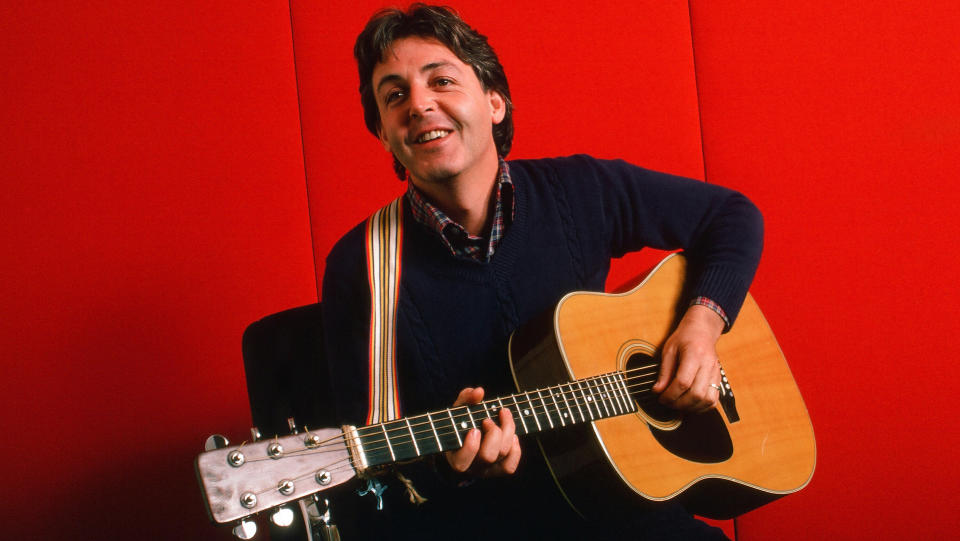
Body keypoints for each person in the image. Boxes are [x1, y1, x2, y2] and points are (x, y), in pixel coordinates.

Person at [320, 4, 763, 539]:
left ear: (494, 103)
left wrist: (702, 326)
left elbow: (732, 217)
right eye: (394, 95)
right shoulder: (361, 267)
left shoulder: (579, 190)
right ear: (385, 136)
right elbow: (373, 481)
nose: (418, 104)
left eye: (441, 80)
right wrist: (449, 470)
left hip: (631, 509)